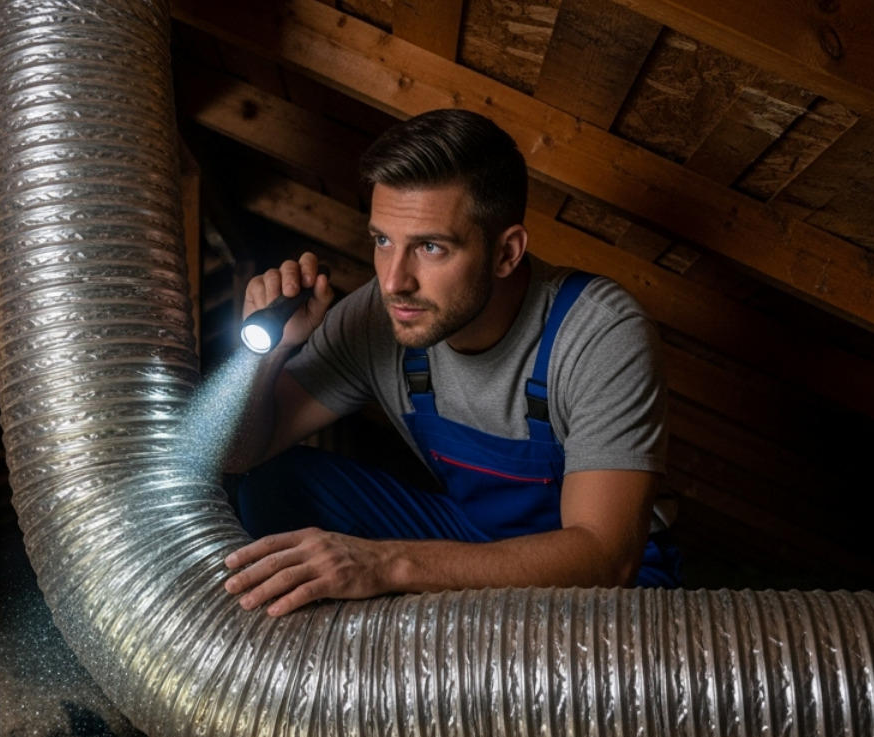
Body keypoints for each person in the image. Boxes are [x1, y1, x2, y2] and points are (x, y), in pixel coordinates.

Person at [223, 109, 680, 617]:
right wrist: (267, 355)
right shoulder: (377, 317)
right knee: (277, 486)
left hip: (606, 584)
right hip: (474, 537)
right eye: (383, 241)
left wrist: (386, 564)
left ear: (506, 253)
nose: (394, 281)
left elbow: (606, 559)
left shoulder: (599, 333)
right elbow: (239, 454)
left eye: (430, 247)